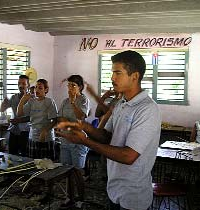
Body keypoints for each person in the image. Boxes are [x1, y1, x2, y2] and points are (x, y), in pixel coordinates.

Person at [56, 50, 161, 210]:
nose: (112, 78)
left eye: (117, 73)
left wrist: (84, 141)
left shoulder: (147, 109)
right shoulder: (121, 104)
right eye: (112, 72)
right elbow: (106, 137)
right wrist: (83, 126)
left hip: (134, 195)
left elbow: (128, 156)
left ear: (135, 76)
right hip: (114, 188)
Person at [17, 79, 58, 160]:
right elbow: (19, 114)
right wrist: (23, 100)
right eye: (35, 87)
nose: (36, 90)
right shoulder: (31, 101)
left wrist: (45, 131)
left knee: (47, 164)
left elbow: (55, 120)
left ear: (46, 90)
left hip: (46, 138)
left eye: (40, 88)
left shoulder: (49, 102)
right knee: (33, 163)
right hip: (33, 137)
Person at [56, 75, 90, 169]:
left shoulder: (83, 100)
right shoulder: (65, 101)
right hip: (65, 139)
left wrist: (73, 102)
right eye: (69, 85)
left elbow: (81, 116)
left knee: (77, 171)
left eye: (73, 85)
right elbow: (60, 118)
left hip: (77, 141)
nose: (70, 88)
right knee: (65, 169)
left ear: (80, 87)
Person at [0, 75, 30, 156]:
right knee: (12, 156)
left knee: (25, 156)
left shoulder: (31, 98)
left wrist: (19, 120)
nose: (21, 86)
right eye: (19, 83)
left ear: (28, 85)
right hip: (13, 131)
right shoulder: (13, 97)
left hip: (26, 132)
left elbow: (33, 117)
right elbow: (2, 110)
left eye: (23, 83)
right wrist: (4, 103)